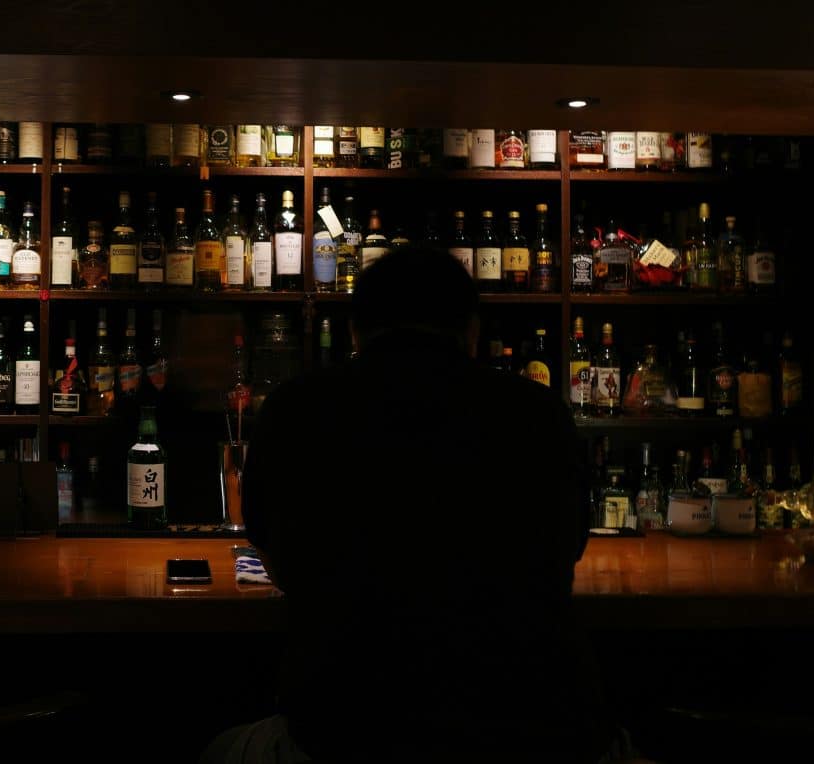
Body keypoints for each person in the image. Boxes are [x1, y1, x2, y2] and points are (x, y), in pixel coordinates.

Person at [199, 247, 628, 763]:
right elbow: (567, 548)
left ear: (355, 333)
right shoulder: (539, 413)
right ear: (472, 331)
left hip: (348, 731)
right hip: (538, 731)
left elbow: (276, 559)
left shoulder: (298, 408)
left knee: (218, 749)